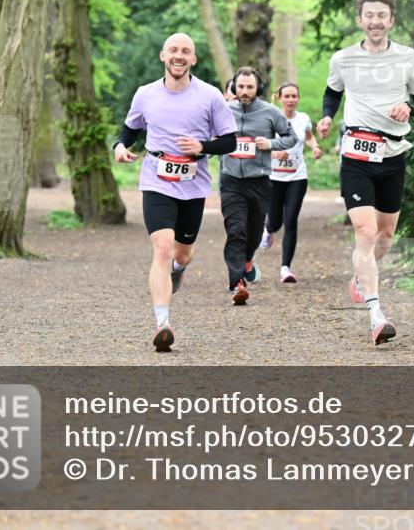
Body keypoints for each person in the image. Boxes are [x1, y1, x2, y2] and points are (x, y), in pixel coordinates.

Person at [316, 0, 414, 345]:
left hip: (393, 154)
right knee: (365, 233)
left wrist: (409, 108)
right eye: (369, 15)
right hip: (356, 154)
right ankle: (376, 314)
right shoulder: (343, 58)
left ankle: (359, 278)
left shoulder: (407, 57)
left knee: (384, 236)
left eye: (382, 15)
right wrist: (326, 117)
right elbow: (332, 91)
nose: (375, 21)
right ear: (360, 20)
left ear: (391, 20)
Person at [114, 33, 237, 352]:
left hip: (193, 183)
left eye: (185, 51)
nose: (178, 55)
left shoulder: (210, 96)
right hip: (156, 178)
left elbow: (230, 141)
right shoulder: (146, 94)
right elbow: (131, 127)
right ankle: (162, 323)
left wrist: (202, 146)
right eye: (173, 50)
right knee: (163, 248)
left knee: (181, 253)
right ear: (162, 56)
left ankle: (180, 270)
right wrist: (119, 145)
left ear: (193, 59)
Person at [220, 67, 297, 304]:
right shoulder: (223, 111)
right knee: (235, 231)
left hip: (259, 181)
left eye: (249, 87)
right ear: (234, 87)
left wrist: (271, 144)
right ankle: (237, 283)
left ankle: (248, 259)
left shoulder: (270, 112)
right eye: (240, 87)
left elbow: (291, 137)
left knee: (253, 233)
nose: (244, 91)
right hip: (230, 180)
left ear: (258, 88)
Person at [260, 82, 323, 282]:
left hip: (297, 176)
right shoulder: (270, 117)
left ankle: (285, 268)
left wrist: (315, 146)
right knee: (276, 221)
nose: (291, 100)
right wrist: (272, 149)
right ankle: (269, 230)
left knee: (291, 221)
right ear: (278, 97)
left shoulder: (303, 119)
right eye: (286, 96)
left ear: (298, 98)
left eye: (294, 96)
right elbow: (259, 143)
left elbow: (309, 137)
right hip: (274, 177)